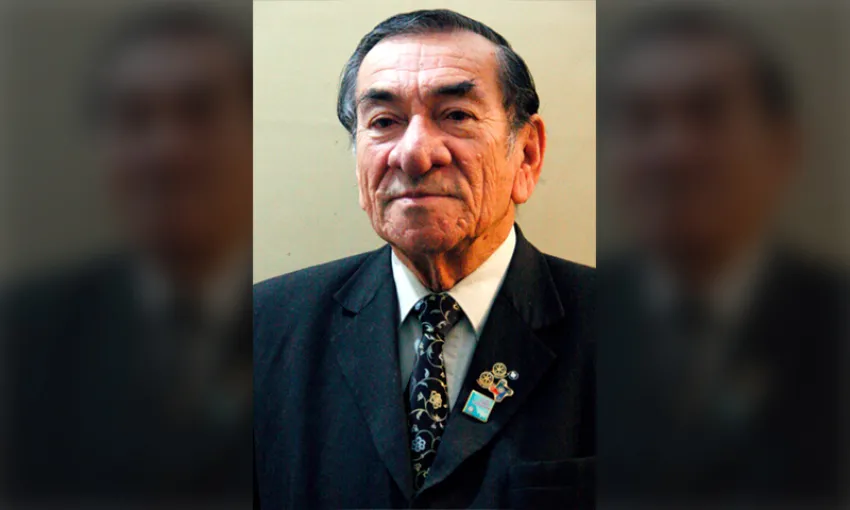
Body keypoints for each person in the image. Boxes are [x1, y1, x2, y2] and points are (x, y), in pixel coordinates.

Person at [253, 9, 595, 510]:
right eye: (383, 122)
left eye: (456, 115)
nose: (414, 154)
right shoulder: (262, 330)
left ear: (526, 155)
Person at [597, 6, 848, 507]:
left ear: (783, 145)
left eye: (706, 113)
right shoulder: (569, 318)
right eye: (641, 119)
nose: (671, 150)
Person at [2, 4, 252, 505]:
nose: (166, 150)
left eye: (199, 111)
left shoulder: (294, 324)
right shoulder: (20, 336)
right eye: (134, 118)